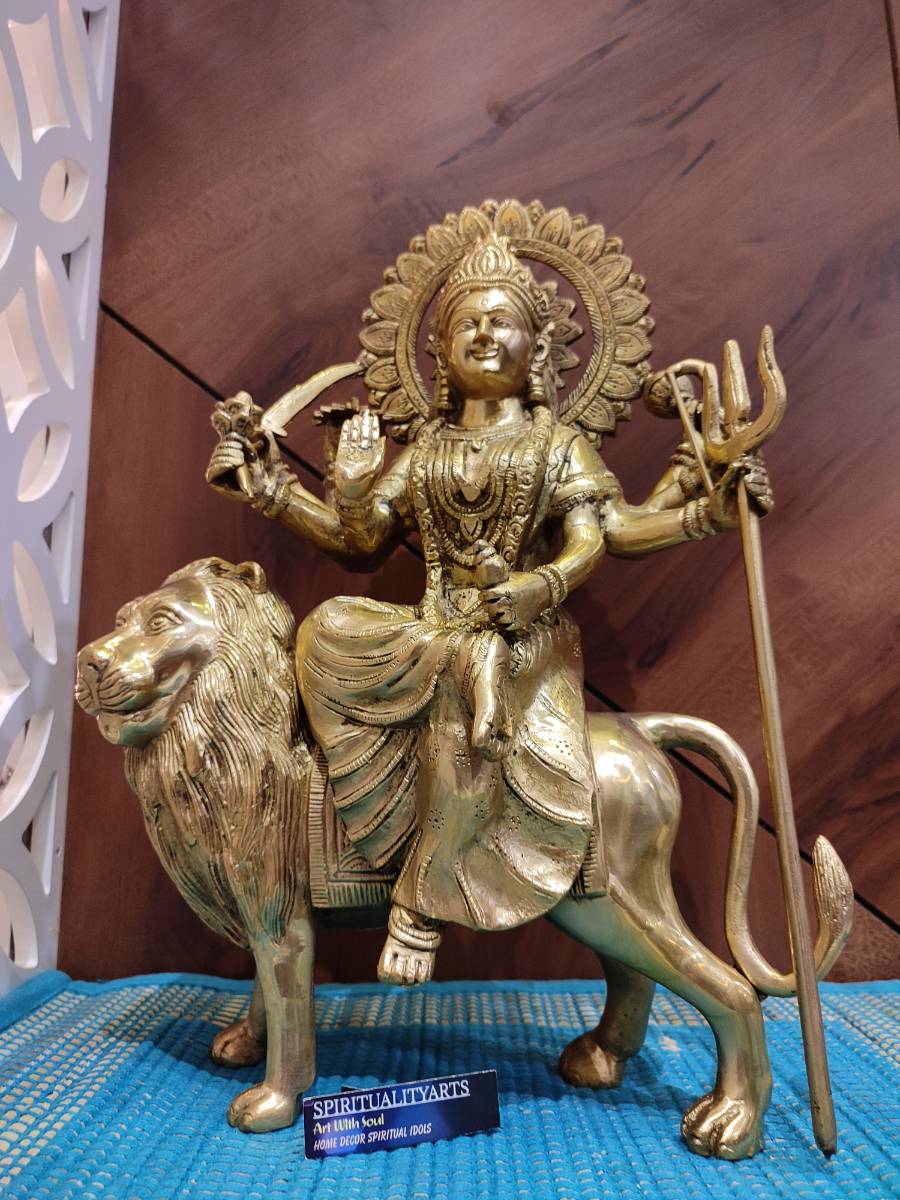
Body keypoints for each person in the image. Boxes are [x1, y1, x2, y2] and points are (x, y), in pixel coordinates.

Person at [207, 232, 761, 985]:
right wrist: (309, 490)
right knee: (326, 626)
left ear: (539, 348)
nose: (484, 335)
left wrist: (692, 521)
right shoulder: (428, 448)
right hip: (437, 628)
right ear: (440, 354)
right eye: (467, 323)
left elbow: (605, 534)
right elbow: (361, 542)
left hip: (522, 631)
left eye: (503, 321)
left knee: (466, 696)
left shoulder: (555, 444)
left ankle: (420, 899)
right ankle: (383, 807)